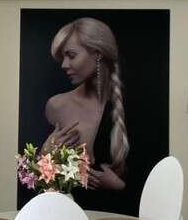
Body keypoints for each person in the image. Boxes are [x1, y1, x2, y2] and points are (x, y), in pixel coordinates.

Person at [42, 17, 128, 193]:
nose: (64, 65)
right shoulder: (56, 106)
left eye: (71, 55)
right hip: (66, 206)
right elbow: (39, 183)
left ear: (97, 53)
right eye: (62, 58)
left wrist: (120, 186)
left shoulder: (130, 107)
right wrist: (45, 153)